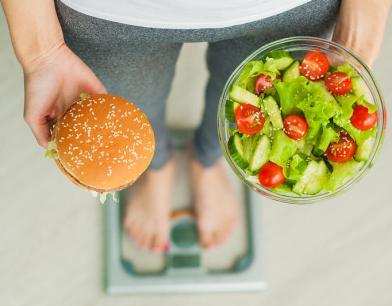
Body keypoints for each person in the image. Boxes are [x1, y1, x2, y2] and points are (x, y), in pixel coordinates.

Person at [1, 0, 390, 252]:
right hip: (106, 13)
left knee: (246, 115)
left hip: (289, 6)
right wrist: (41, 50)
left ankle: (208, 160)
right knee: (131, 108)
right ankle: (155, 166)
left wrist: (361, 27)